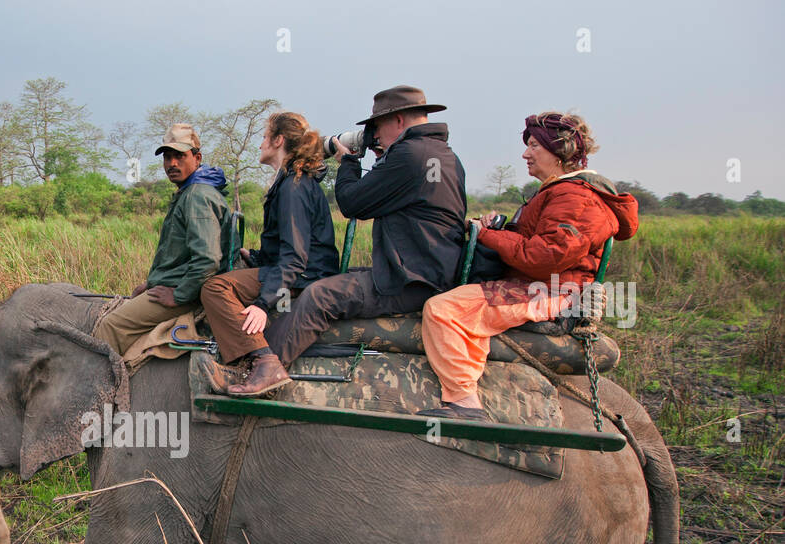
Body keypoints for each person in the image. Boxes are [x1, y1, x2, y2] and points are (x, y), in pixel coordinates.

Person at [229, 85, 467, 396]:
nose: (376, 136)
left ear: (397, 121)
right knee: (345, 277)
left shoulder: (411, 155)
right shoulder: (443, 155)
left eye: (376, 127)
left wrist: (349, 162)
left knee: (319, 295)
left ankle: (266, 369)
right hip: (426, 269)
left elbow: (354, 204)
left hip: (412, 280)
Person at [418, 111, 639, 419]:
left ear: (560, 152)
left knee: (443, 310)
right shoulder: (560, 191)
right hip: (541, 285)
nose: (525, 153)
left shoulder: (575, 197)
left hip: (549, 291)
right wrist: (499, 230)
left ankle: (463, 403)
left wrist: (488, 236)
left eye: (534, 145)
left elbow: (546, 258)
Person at [198, 112, 338, 394]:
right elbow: (286, 246)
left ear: (278, 140)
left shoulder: (293, 187)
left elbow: (295, 257)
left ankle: (264, 361)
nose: (260, 145)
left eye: (264, 138)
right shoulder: (289, 180)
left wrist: (264, 303)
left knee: (215, 287)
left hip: (305, 276)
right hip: (299, 269)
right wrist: (256, 257)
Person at [92, 124, 230, 359]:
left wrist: (178, 295)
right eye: (167, 157)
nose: (172, 164)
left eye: (179, 156)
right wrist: (153, 282)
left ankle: (104, 391)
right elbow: (180, 257)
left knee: (111, 325)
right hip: (178, 283)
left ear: (197, 158)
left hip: (191, 292)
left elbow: (207, 260)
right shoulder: (189, 191)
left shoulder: (197, 195)